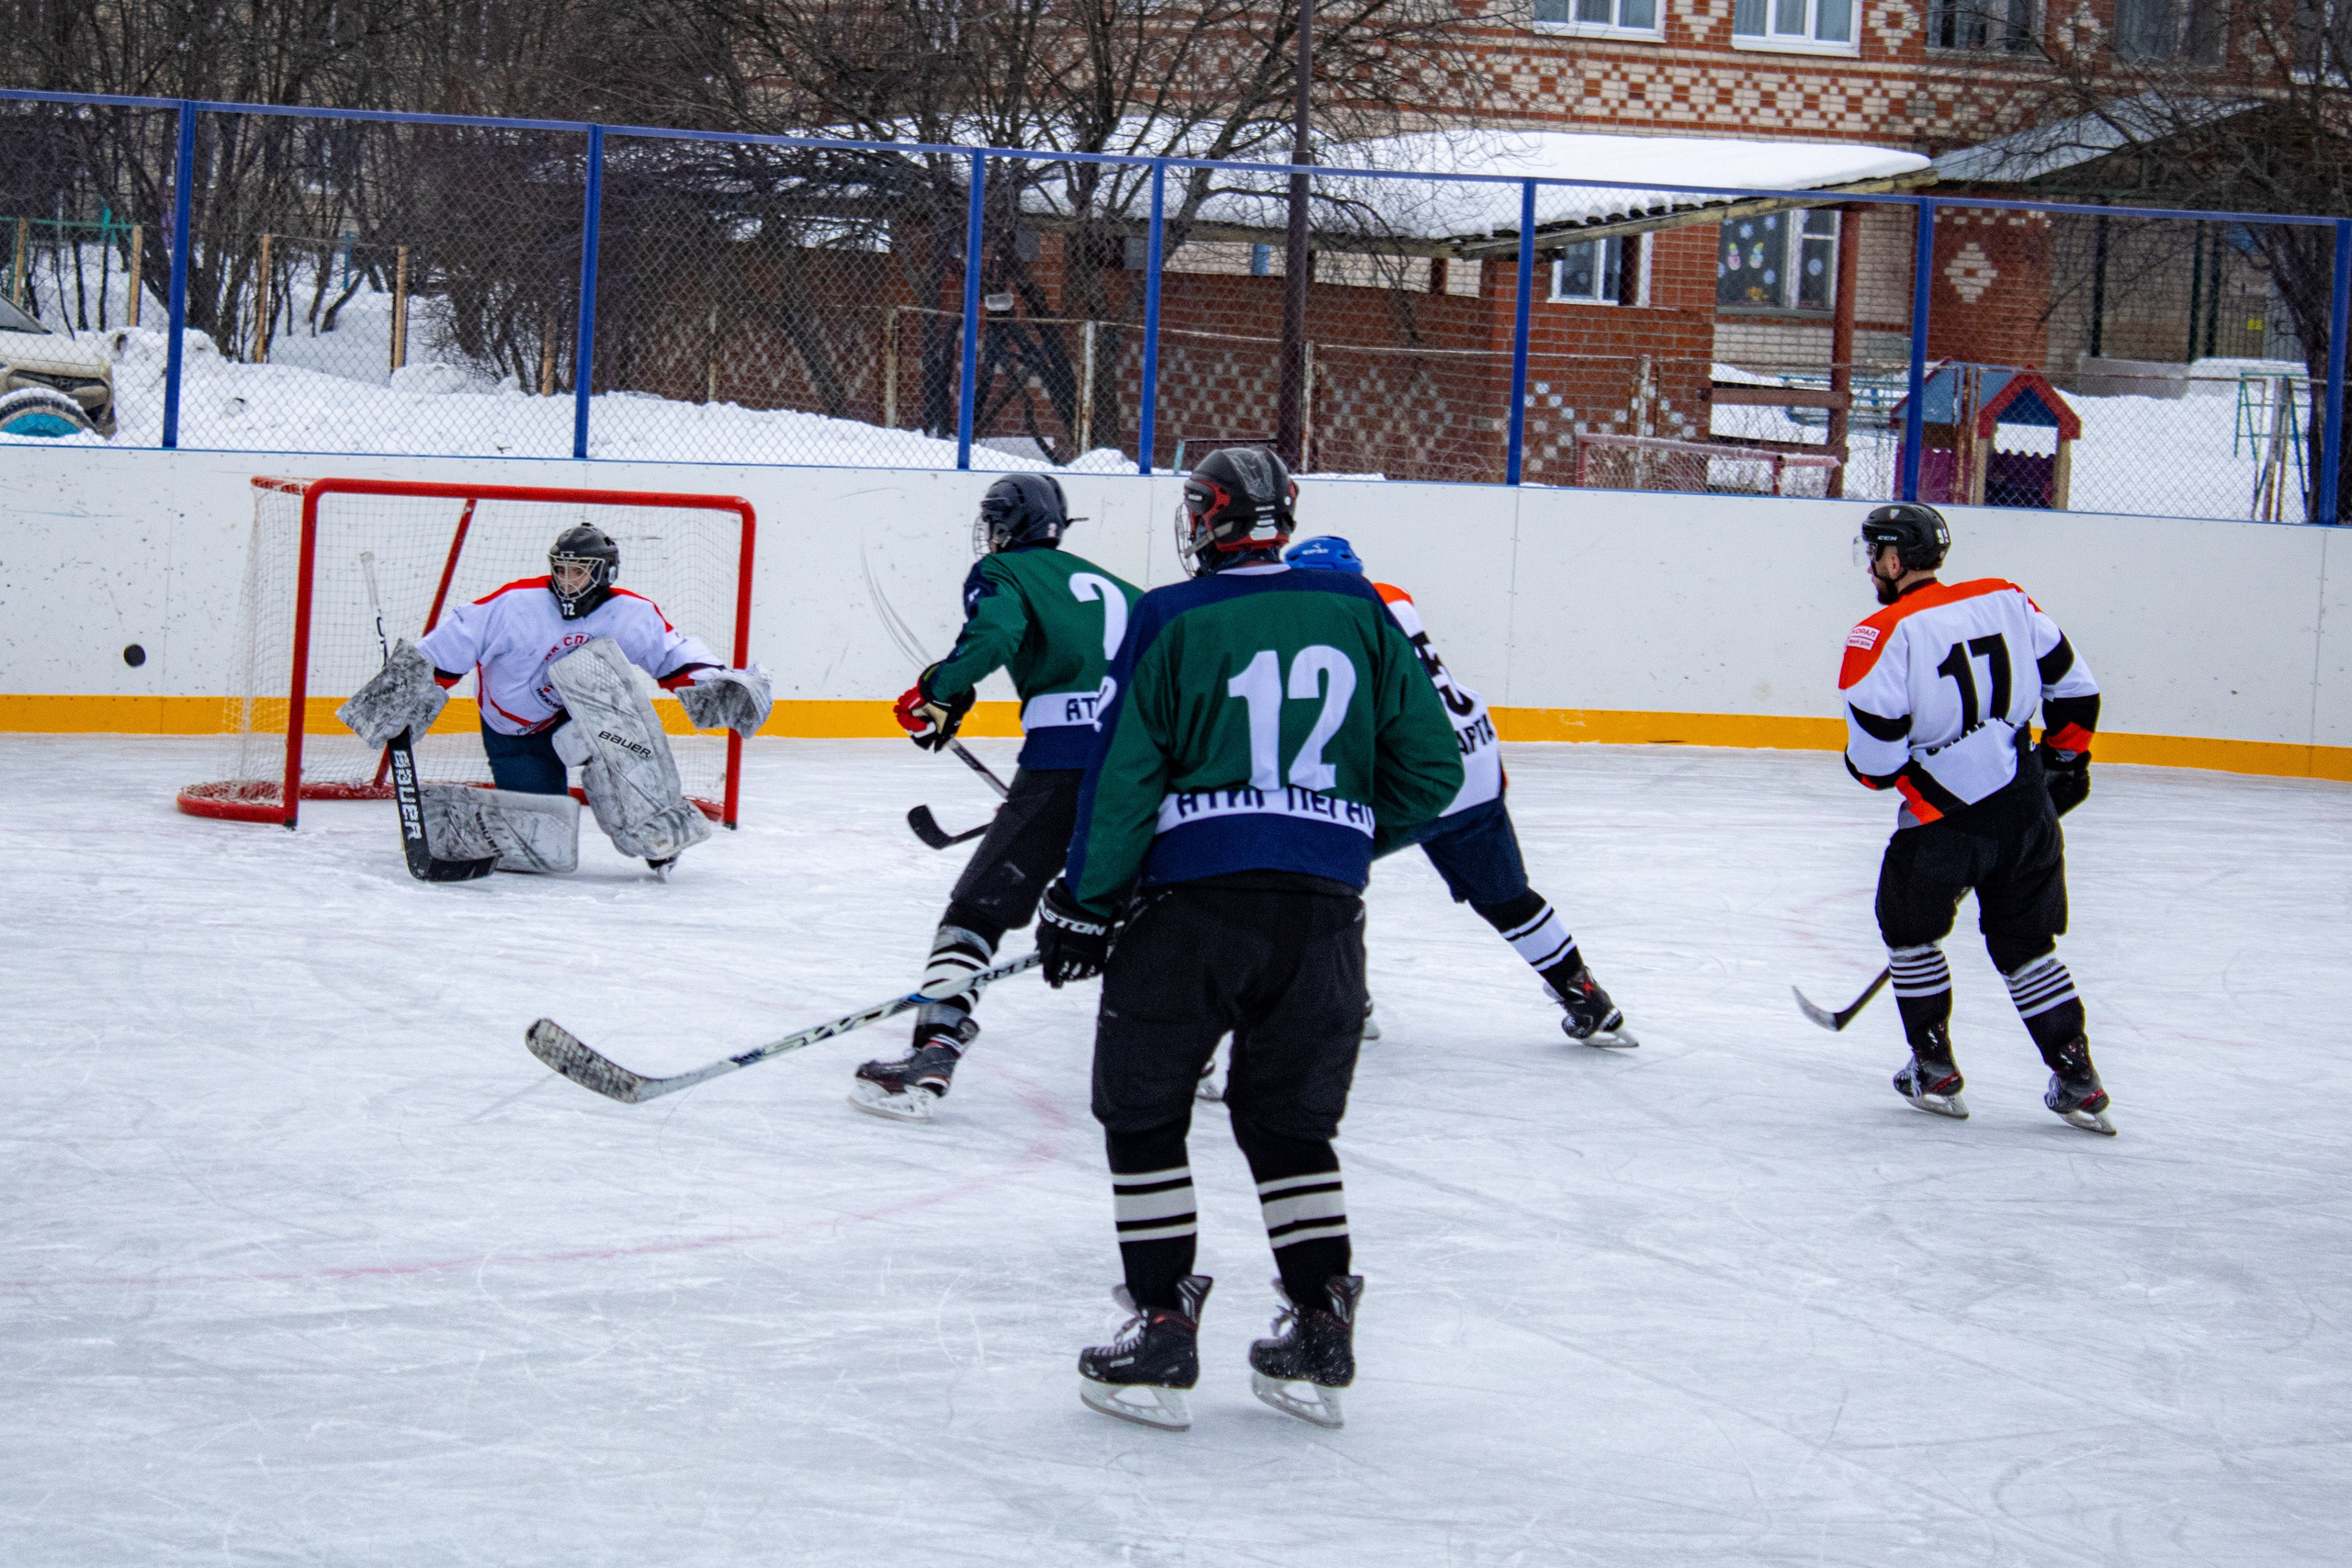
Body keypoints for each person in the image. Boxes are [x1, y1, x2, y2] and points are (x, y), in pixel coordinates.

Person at [1033, 447, 1464, 1432]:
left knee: (1142, 1111)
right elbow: (1432, 769)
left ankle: (1158, 1328)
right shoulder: (1357, 609)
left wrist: (1087, 899)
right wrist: (1333, 841)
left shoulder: (1172, 615)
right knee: (1288, 1126)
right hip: (1322, 919)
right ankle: (1318, 1325)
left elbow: (1127, 770)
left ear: (1211, 517)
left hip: (1193, 915)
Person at [853, 474, 1143, 1123]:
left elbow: (993, 637)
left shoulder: (1002, 571)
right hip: (1148, 768)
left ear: (1009, 524)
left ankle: (935, 1049)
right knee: (1142, 914)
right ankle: (1196, 1055)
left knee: (975, 910)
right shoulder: (1124, 588)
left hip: (1063, 764)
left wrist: (941, 689)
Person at [1283, 535, 1634, 1048]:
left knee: (1311, 871)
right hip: (1477, 757)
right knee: (1507, 895)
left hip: (1425, 770)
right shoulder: (1391, 596)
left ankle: (1347, 1001)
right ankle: (1586, 997)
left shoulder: (1332, 619)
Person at [1840, 502, 2112, 1134]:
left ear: (1893, 559)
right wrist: (2065, 765)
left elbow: (1877, 765)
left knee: (1909, 931)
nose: (1871, 568)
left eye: (1874, 554)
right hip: (2025, 805)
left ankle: (1933, 1068)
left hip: (1941, 818)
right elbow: (2076, 691)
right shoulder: (2007, 598)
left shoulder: (1880, 634)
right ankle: (2078, 1076)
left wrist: (1885, 770)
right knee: (2026, 943)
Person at [334, 525, 769, 878]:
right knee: (543, 833)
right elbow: (449, 647)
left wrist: (713, 681)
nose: (567, 580)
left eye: (579, 571)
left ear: (604, 574)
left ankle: (651, 829)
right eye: (561, 569)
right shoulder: (513, 605)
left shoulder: (630, 614)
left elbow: (673, 654)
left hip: (587, 722)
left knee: (625, 742)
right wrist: (403, 691)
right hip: (515, 729)